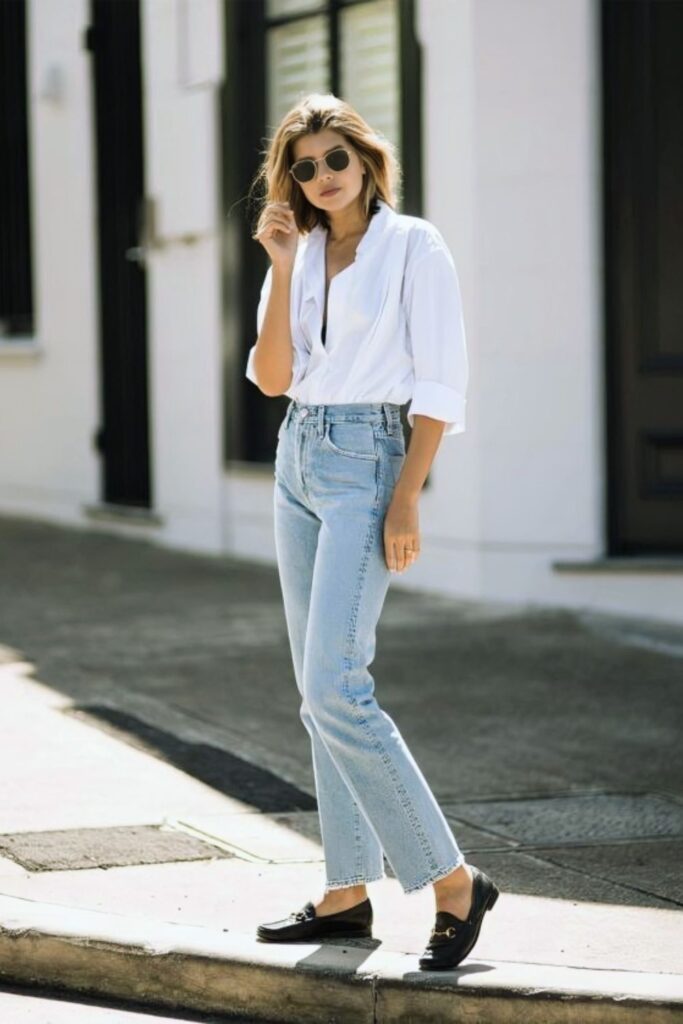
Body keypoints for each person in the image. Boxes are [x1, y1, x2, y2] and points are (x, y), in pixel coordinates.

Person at [244, 93, 499, 970]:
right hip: (298, 456)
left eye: (333, 161)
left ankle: (454, 883)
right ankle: (347, 893)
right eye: (302, 167)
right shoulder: (301, 253)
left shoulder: (412, 246)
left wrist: (406, 497)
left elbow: (440, 381)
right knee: (316, 693)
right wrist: (279, 267)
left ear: (366, 162)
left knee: (336, 687)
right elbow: (273, 378)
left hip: (369, 458)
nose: (319, 179)